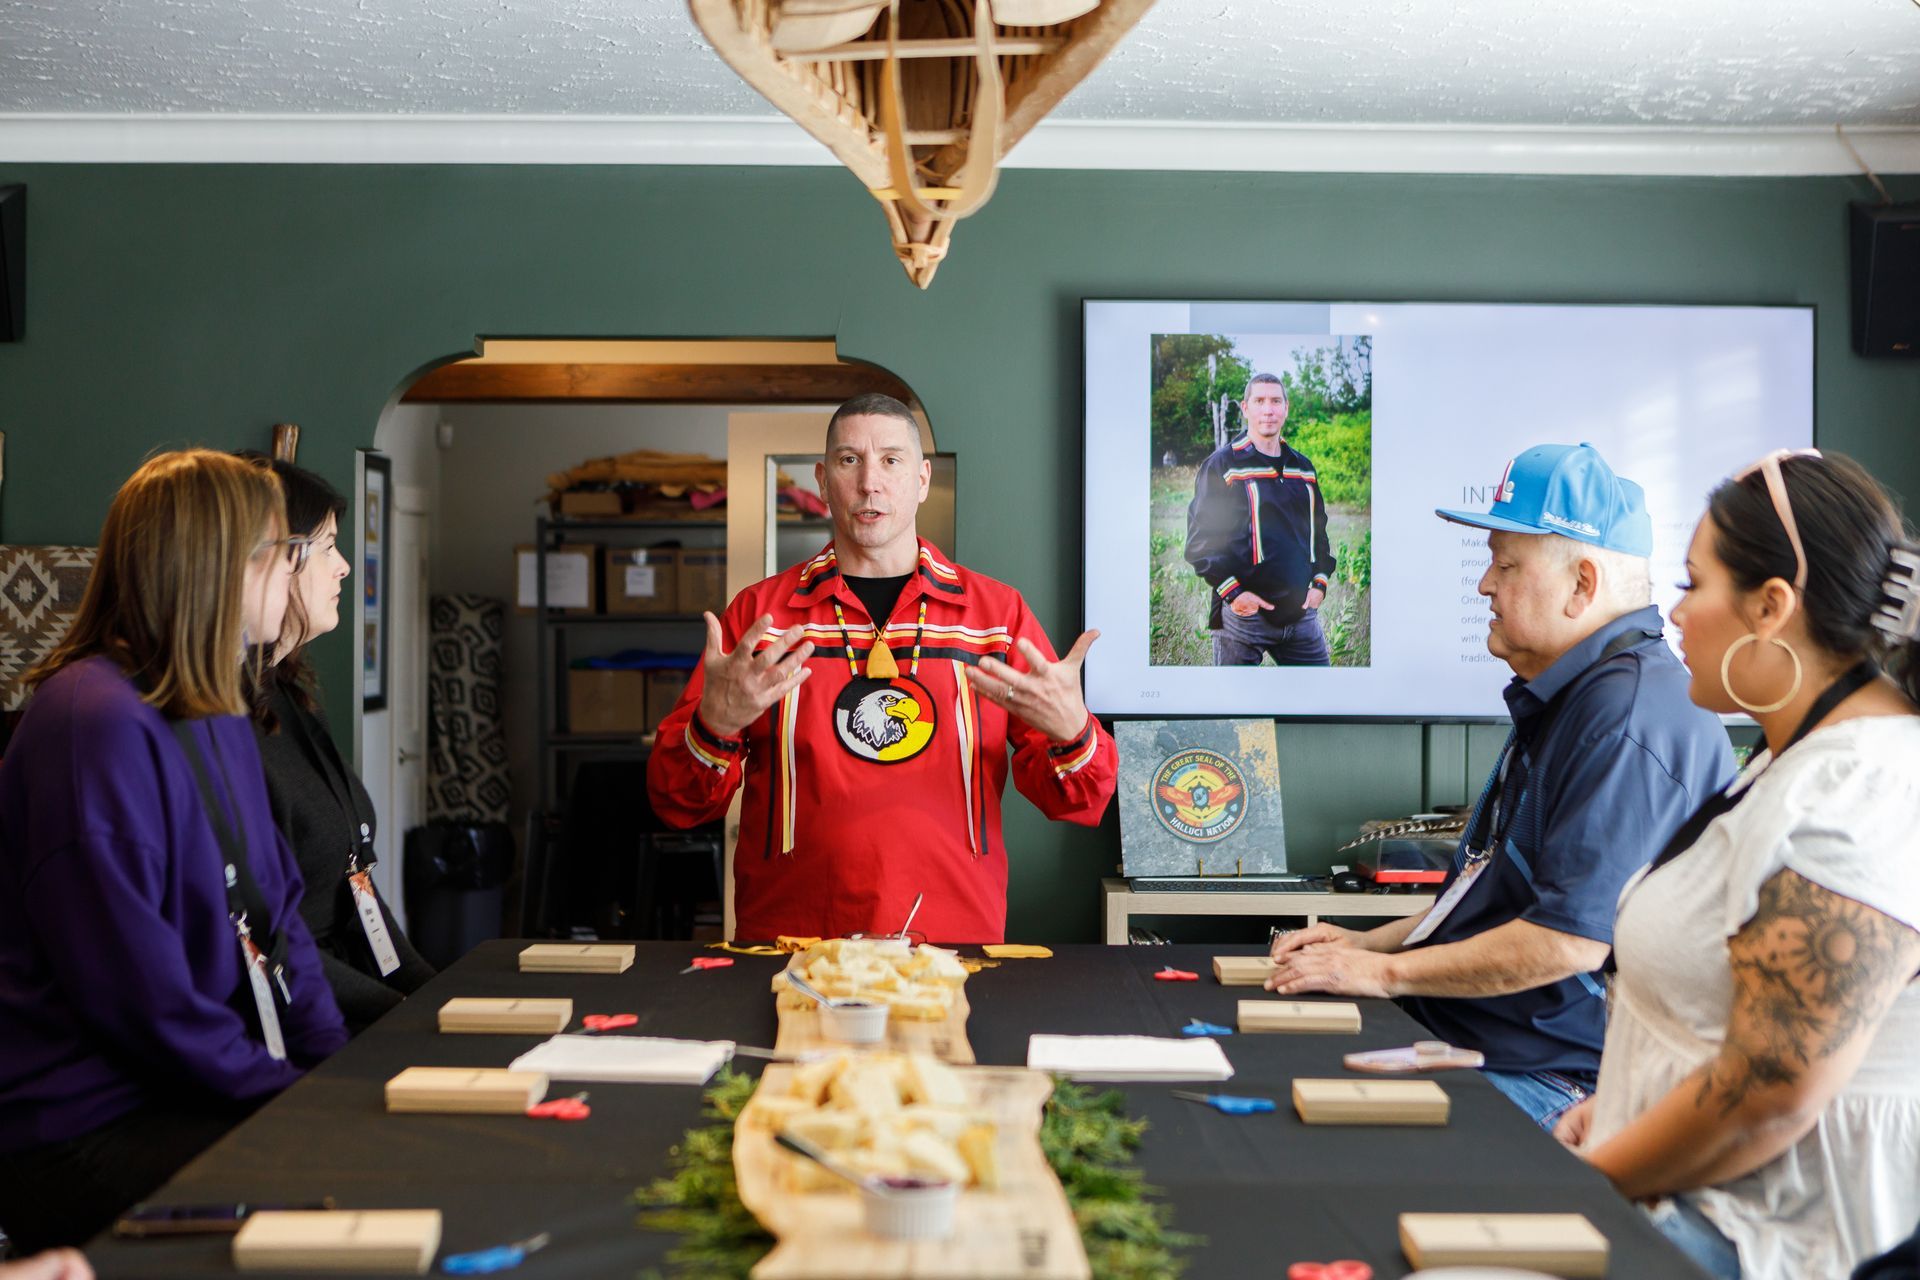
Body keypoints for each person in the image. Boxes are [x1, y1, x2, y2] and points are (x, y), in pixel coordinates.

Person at [1266, 442, 1734, 1128]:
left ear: (1583, 584)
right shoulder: (1579, 693)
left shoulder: (1622, 718)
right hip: (1485, 1046)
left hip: (1552, 1080)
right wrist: (1368, 945)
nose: (1485, 585)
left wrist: (1383, 975)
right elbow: (1493, 900)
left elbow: (1567, 943)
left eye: (1506, 565)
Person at [1556, 449, 1920, 1280]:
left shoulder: (1861, 785)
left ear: (1771, 606)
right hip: (1695, 1200)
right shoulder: (1799, 756)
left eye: (1692, 583)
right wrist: (1620, 1109)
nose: (1673, 613)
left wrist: (1573, 1189)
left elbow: (1771, 1091)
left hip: (1769, 1240)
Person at [0, 450, 348, 1250]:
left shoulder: (217, 703)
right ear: (216, 567)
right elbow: (139, 1001)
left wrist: (333, 1074)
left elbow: (280, 913)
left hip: (176, 1089)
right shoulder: (93, 723)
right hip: (78, 1124)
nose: (295, 569)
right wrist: (291, 1098)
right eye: (282, 552)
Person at [647, 393, 1117, 943]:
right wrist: (713, 727)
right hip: (789, 943)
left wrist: (1073, 732)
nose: (871, 482)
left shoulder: (995, 618)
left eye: (891, 460)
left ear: (920, 480)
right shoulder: (760, 619)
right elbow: (676, 803)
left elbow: (1081, 801)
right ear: (822, 481)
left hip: (955, 943)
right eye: (850, 461)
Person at [243, 457, 434, 1033]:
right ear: (273, 558)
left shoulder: (288, 699)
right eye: (328, 547)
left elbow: (360, 897)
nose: (345, 567)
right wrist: (408, 1016)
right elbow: (265, 939)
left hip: (349, 1011)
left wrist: (439, 998)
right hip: (307, 1025)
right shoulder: (213, 723)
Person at [1183, 372, 1337, 666]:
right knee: (1232, 710)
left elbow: (1318, 532)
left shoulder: (1302, 468)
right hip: (1244, 619)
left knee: (1320, 704)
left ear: (1286, 408)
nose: (1268, 409)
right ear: (1245, 408)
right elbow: (1200, 543)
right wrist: (1235, 594)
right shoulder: (1222, 467)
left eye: (1276, 401)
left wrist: (1320, 582)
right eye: (1260, 401)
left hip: (1301, 617)